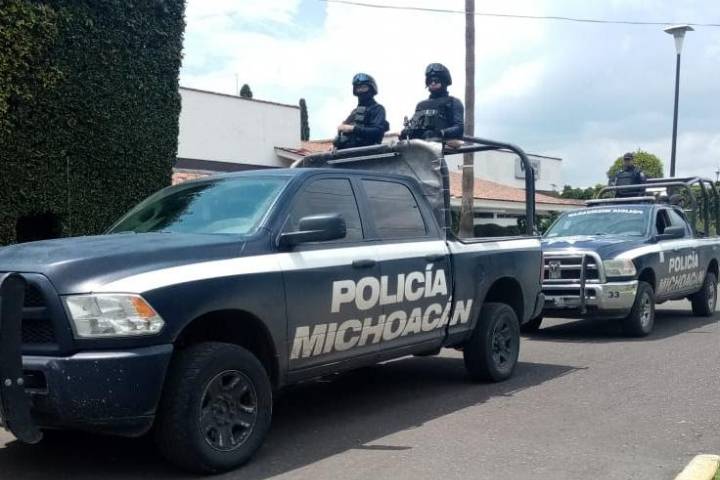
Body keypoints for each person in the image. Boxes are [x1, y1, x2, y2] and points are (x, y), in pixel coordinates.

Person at [399, 63, 464, 142]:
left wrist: (441, 133)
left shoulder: (453, 102)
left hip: (443, 144)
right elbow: (413, 125)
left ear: (444, 82)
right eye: (430, 81)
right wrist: (406, 132)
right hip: (420, 145)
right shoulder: (421, 105)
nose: (433, 83)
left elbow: (459, 128)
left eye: (436, 81)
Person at [333, 73, 389, 150]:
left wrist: (353, 129)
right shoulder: (354, 112)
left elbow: (377, 131)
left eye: (363, 87)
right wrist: (336, 145)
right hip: (347, 153)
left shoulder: (378, 109)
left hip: (369, 152)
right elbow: (343, 132)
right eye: (358, 88)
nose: (360, 90)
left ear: (371, 89)